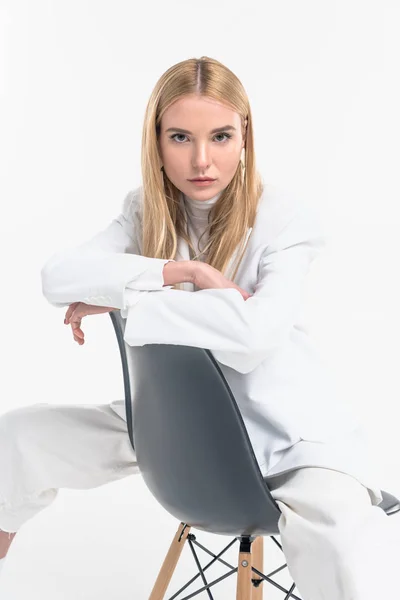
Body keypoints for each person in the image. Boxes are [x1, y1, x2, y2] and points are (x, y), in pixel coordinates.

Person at [0, 56, 398, 598]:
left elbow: (255, 337)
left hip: (286, 437)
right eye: (181, 137)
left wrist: (126, 302)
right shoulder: (144, 211)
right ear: (156, 142)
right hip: (175, 427)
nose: (202, 159)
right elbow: (57, 279)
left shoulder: (286, 219)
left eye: (221, 136)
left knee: (337, 535)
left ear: (244, 137)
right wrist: (184, 273)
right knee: (19, 438)